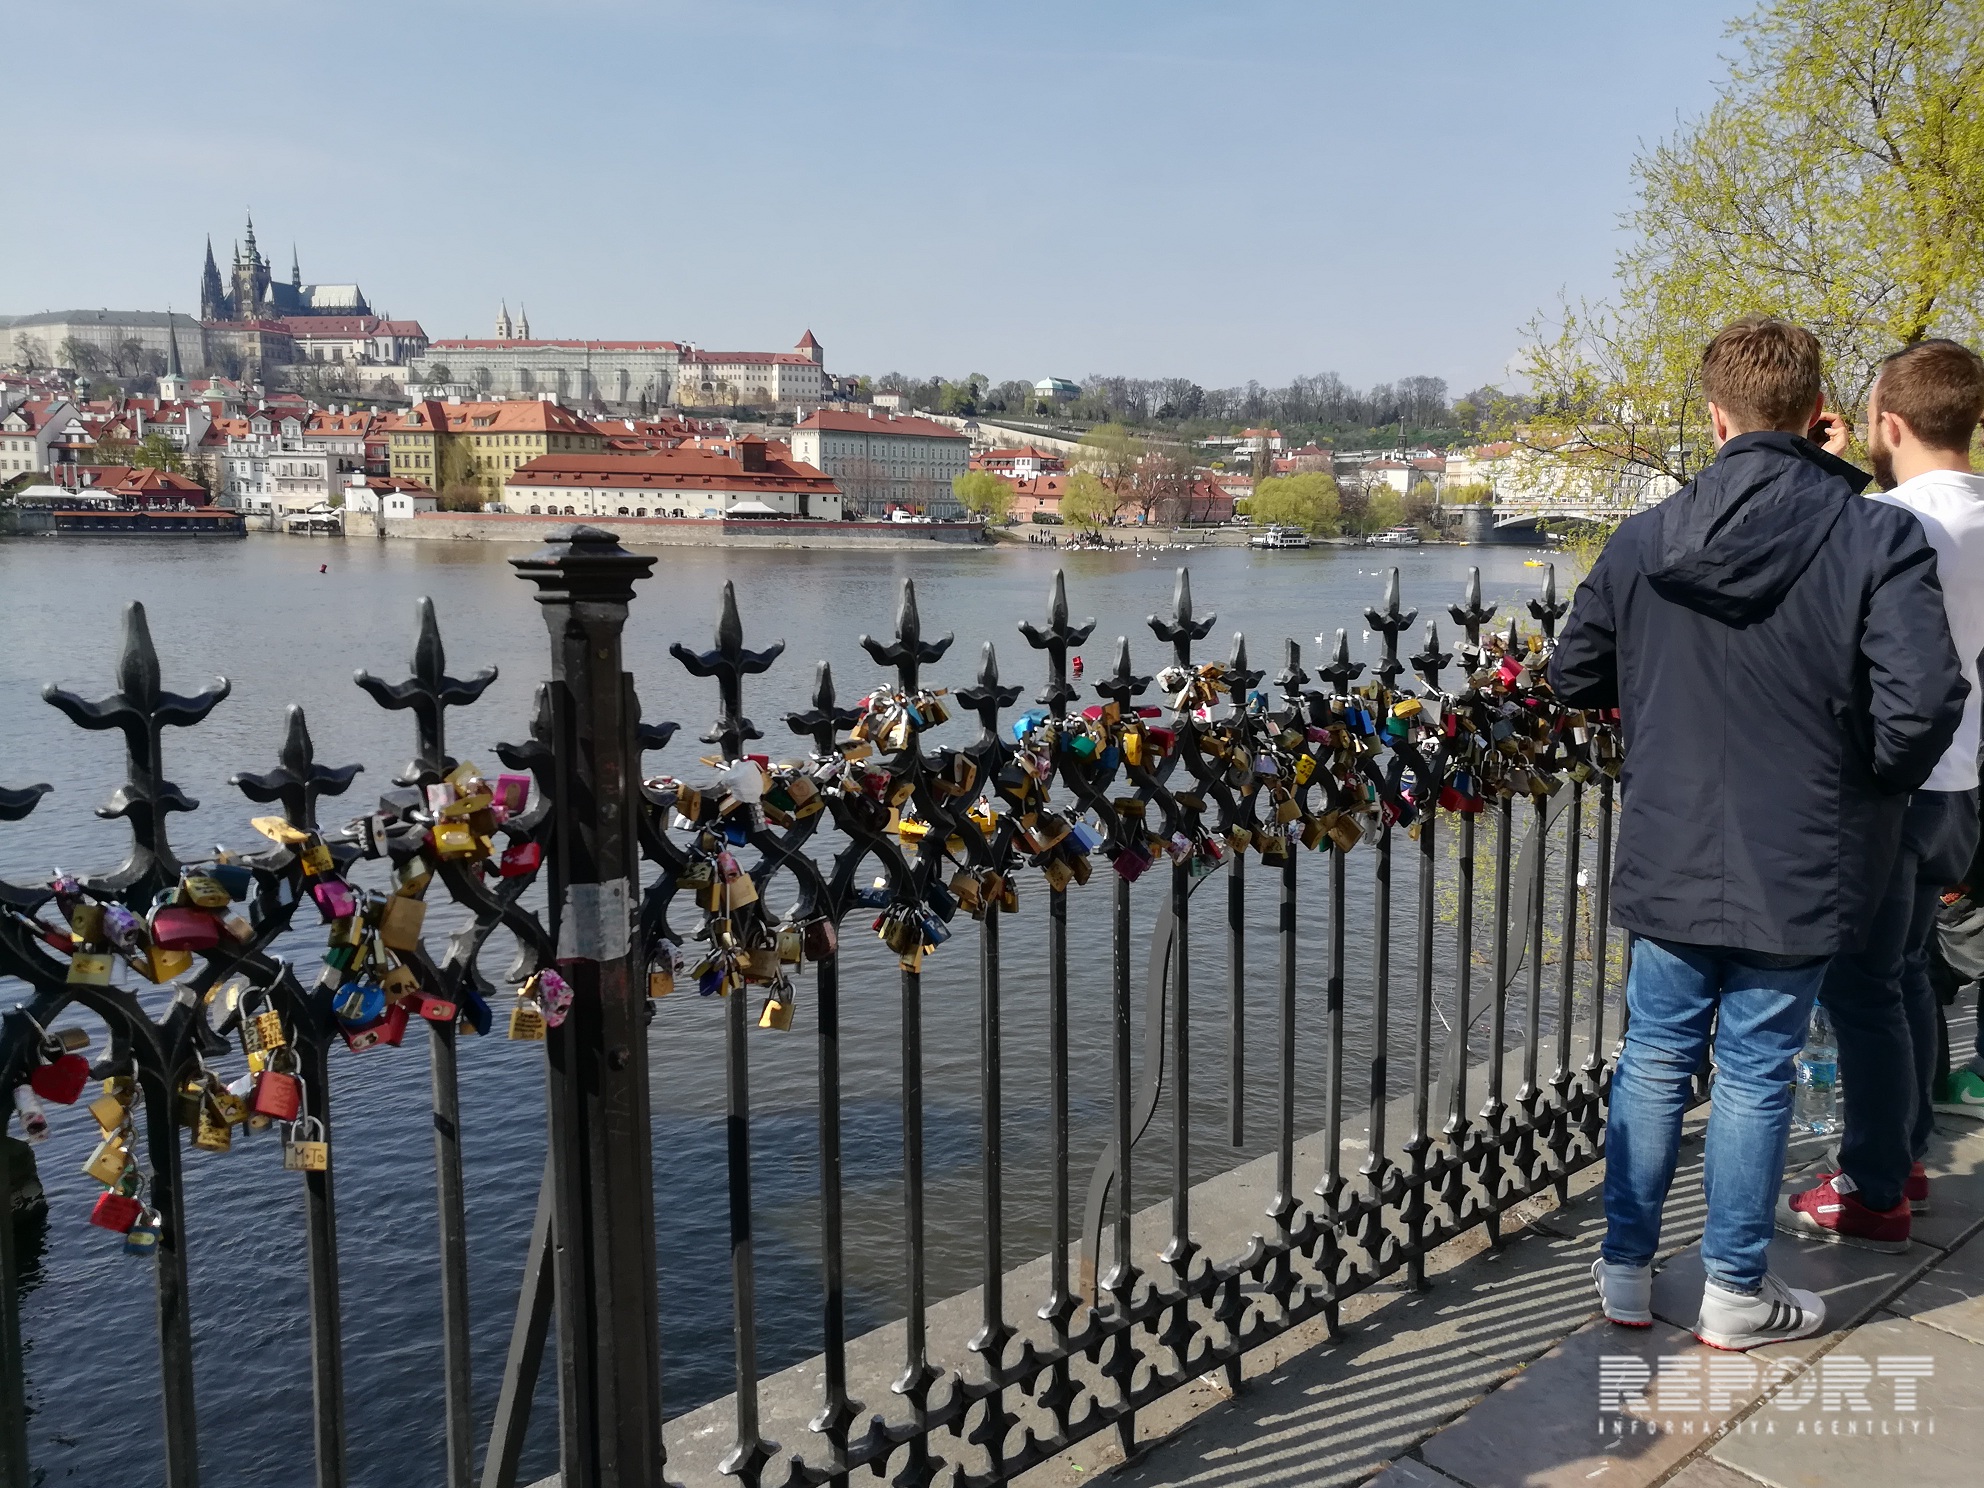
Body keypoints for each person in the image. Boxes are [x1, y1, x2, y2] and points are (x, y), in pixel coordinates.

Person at [1550, 317, 1966, 1350]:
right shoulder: (1875, 534)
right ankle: (1734, 1288)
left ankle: (1624, 1273)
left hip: (1671, 839)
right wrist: (1862, 786)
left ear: (1715, 414)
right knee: (1753, 1065)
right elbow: (1923, 701)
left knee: (1652, 1056)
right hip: (1806, 852)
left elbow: (1572, 675)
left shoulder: (1645, 538)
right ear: (1817, 411)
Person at [1777, 340, 1984, 1249]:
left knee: (1865, 985)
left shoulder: (1888, 523)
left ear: (1888, 424)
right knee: (1906, 975)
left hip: (1892, 781)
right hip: (1963, 785)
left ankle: (1878, 1183)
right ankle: (1903, 1153)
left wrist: (1809, 467)